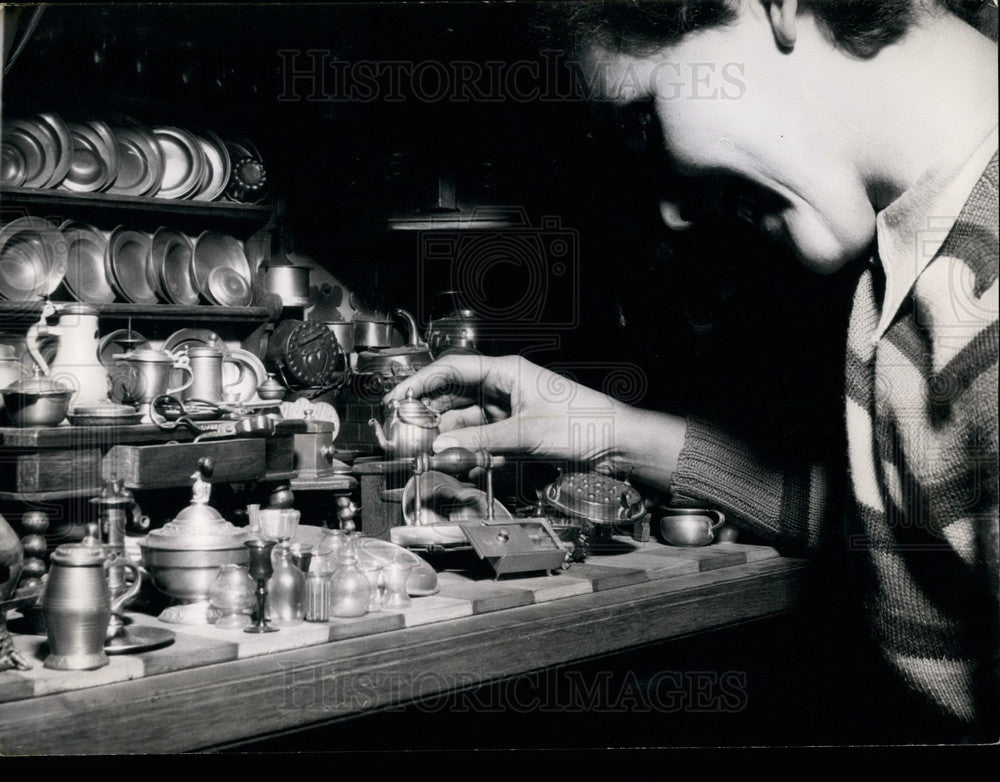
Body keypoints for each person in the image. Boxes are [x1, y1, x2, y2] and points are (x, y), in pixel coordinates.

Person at [386, 0, 998, 741]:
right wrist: (606, 432)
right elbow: (902, 529)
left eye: (645, 113)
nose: (674, 213)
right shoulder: (927, 257)